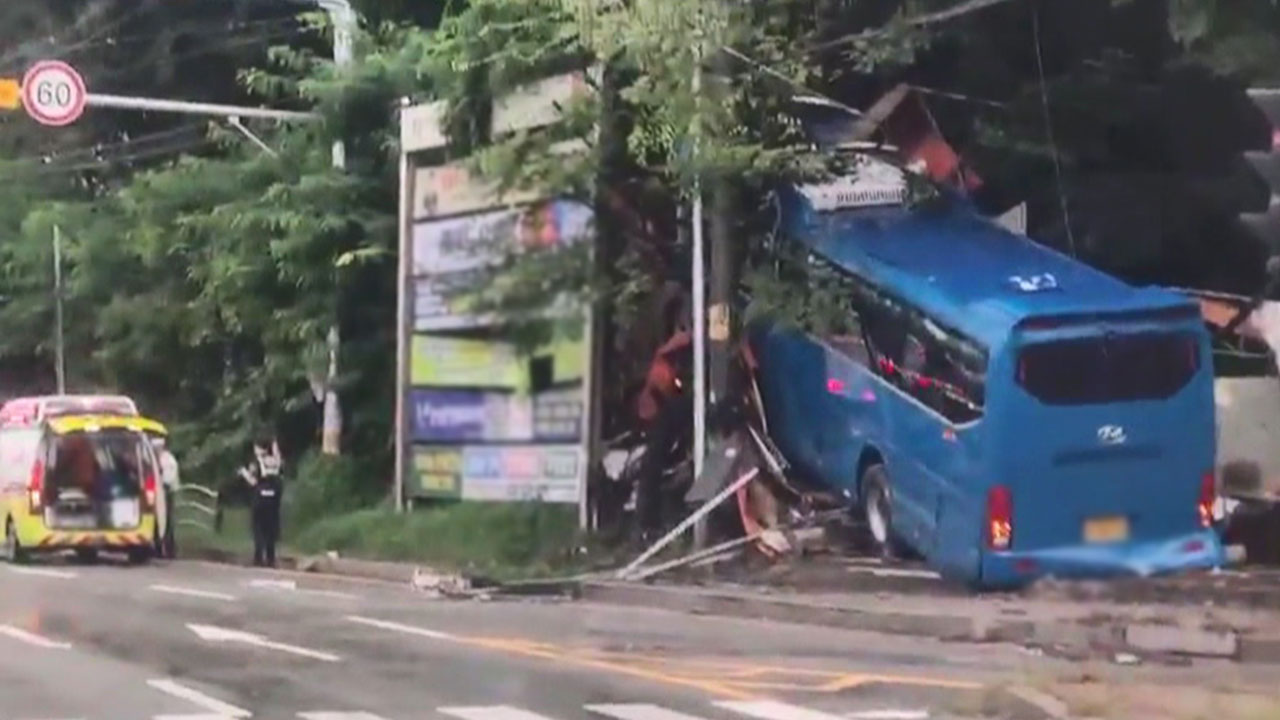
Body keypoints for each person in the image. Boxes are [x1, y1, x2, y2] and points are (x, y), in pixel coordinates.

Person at [239, 437, 283, 568]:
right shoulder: (276, 461)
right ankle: (271, 558)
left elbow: (253, 482)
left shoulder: (257, 462)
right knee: (271, 528)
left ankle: (258, 558)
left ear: (259, 448)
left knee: (258, 528)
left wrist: (244, 473)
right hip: (273, 500)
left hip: (260, 499)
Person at [150, 435, 180, 558]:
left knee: (166, 520)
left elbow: (168, 479)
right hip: (157, 492)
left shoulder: (168, 460)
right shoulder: (154, 460)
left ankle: (169, 549)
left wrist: (160, 482)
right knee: (156, 520)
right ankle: (157, 547)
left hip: (166, 492)